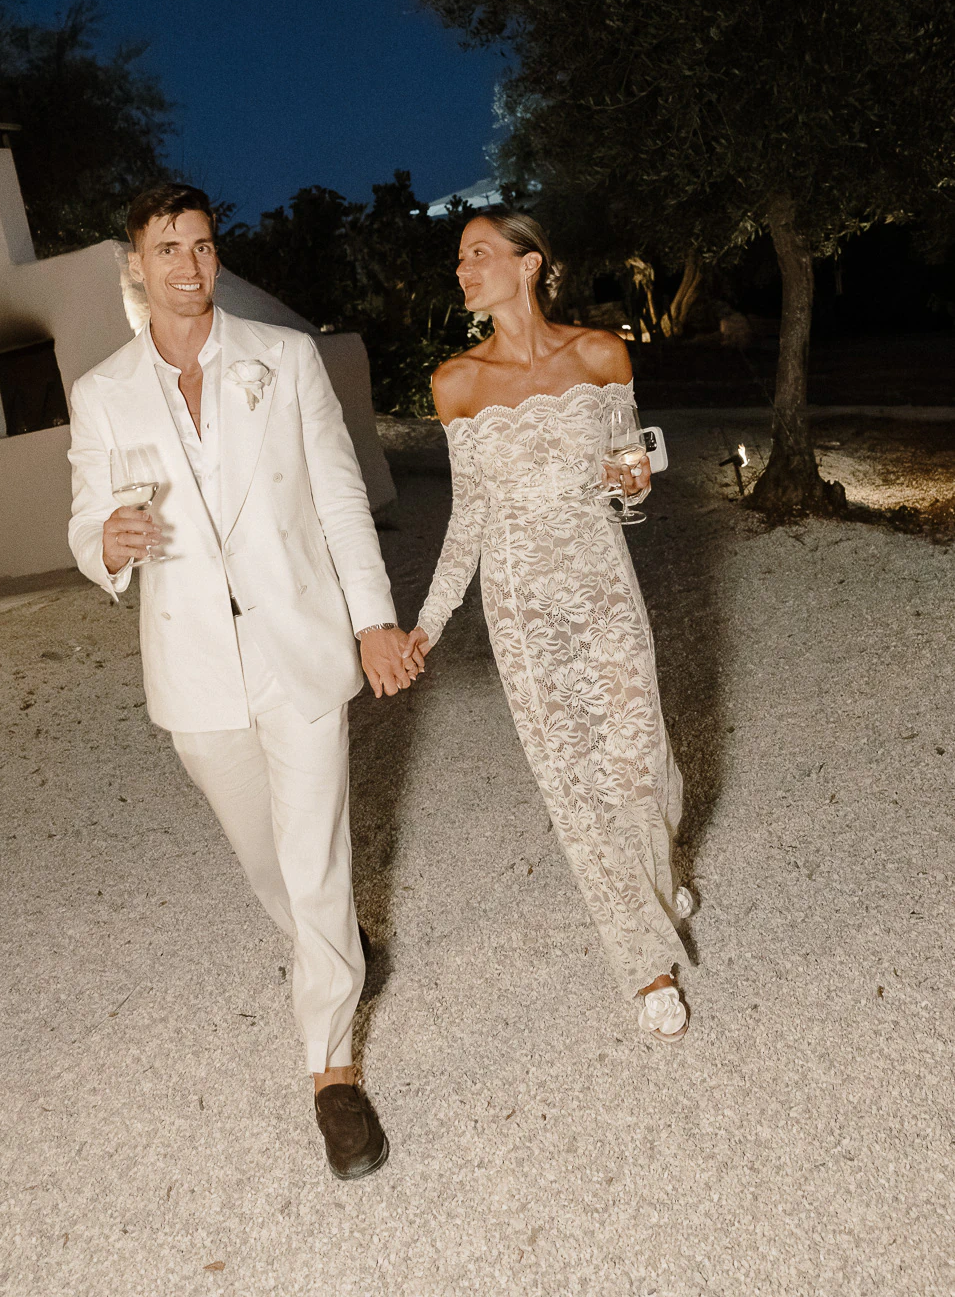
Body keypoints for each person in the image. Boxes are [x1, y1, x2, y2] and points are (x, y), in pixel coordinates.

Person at [67, 183, 422, 1177]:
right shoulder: (102, 392)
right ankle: (332, 942)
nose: (188, 264)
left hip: (295, 644)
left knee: (313, 855)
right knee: (267, 861)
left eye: (202, 244)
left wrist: (372, 621)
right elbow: (85, 521)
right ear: (135, 265)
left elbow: (341, 499)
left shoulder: (286, 359)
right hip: (192, 665)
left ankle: (332, 1071)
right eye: (166, 247)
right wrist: (105, 544)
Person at [404, 208, 693, 1042]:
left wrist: (631, 483)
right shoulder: (456, 382)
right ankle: (644, 964)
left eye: (478, 254)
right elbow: (468, 516)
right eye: (460, 259)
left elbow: (625, 468)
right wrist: (427, 622)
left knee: (640, 765)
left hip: (603, 585)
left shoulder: (601, 354)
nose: (463, 270)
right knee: (573, 785)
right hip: (521, 605)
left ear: (528, 264)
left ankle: (653, 874)